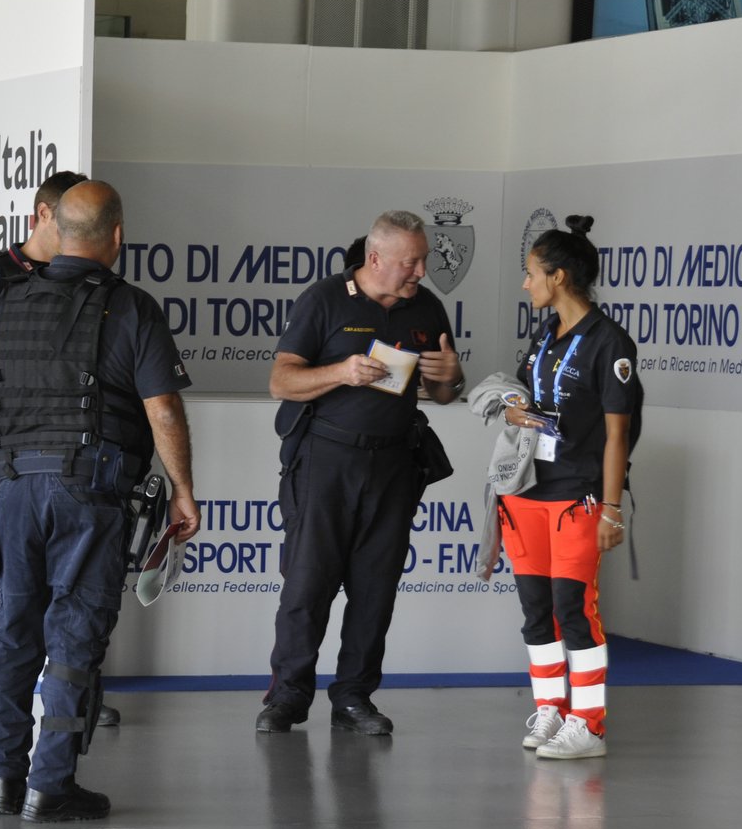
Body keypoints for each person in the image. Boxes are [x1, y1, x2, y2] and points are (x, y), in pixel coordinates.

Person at [0, 180, 199, 822]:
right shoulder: (132, 308)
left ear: (58, 228)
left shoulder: (2, 300)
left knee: (12, 629)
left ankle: (2, 783)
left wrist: (3, 467)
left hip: (12, 488)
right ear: (116, 237)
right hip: (90, 491)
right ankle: (51, 786)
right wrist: (183, 490)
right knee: (74, 634)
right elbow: (163, 410)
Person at [258, 210, 465, 735]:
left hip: (395, 464)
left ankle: (353, 696)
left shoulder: (429, 308)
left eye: (422, 259)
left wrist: (450, 379)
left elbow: (443, 393)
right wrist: (343, 371)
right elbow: (282, 382)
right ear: (376, 258)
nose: (421, 270)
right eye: (410, 261)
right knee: (307, 585)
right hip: (325, 461)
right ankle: (287, 698)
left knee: (377, 589)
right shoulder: (324, 299)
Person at [0, 171, 110, 731]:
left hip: (72, 458)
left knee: (77, 588)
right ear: (47, 214)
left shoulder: (87, 279)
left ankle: (73, 695)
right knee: (3, 583)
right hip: (11, 456)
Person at [501, 215, 641, 759]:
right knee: (536, 608)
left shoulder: (610, 342)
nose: (526, 283)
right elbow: (534, 402)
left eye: (531, 273)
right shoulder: (545, 334)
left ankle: (590, 722)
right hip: (527, 492)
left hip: (577, 495)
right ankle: (552, 709)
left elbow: (617, 435)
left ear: (558, 277)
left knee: (574, 607)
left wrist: (610, 508)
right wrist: (513, 408)